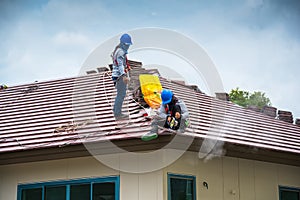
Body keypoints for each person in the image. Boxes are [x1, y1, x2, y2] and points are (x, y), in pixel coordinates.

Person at [111, 33, 132, 120]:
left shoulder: (120, 50)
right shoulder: (120, 52)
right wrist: (123, 75)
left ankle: (115, 110)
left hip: (117, 75)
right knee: (121, 94)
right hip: (119, 76)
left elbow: (122, 63)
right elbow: (120, 65)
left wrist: (127, 66)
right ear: (123, 43)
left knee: (120, 94)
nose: (128, 47)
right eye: (127, 45)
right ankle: (117, 113)